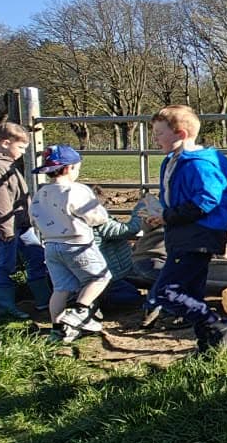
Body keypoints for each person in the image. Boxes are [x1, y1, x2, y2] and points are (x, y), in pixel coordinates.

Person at [147, 105, 227, 352]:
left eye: (159, 133)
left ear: (180, 134)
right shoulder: (174, 161)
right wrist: (164, 216)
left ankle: (218, 324)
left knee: (166, 292)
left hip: (197, 234)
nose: (155, 139)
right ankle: (210, 342)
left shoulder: (199, 164)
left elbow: (207, 199)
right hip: (183, 234)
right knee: (191, 290)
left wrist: (169, 216)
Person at [28, 144, 146, 341]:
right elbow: (96, 217)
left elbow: (34, 216)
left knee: (61, 289)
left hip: (51, 246)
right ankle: (79, 313)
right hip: (78, 244)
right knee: (100, 277)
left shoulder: (42, 193)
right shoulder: (77, 190)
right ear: (69, 168)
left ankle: (57, 329)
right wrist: (100, 215)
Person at [0, 121, 53, 320]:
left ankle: (45, 300)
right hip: (4, 227)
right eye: (21, 147)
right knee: (5, 265)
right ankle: (5, 306)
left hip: (19, 224)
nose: (24, 152)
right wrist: (5, 230)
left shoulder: (5, 164)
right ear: (5, 143)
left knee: (36, 256)